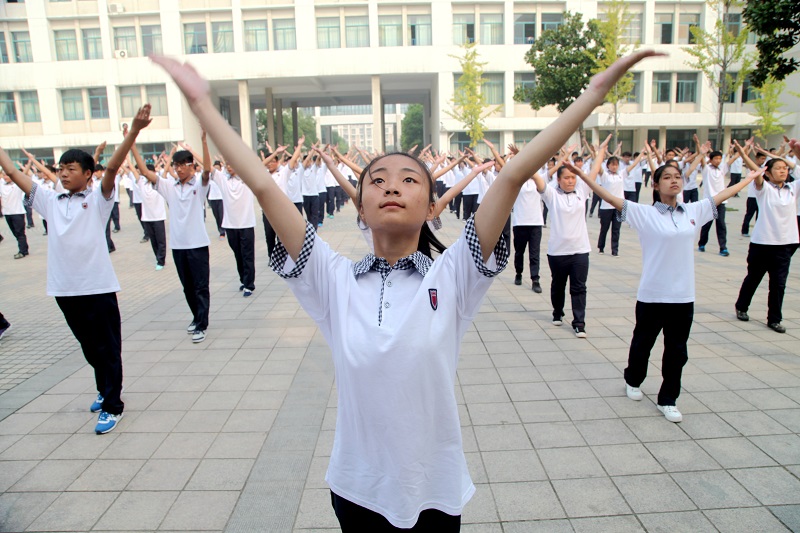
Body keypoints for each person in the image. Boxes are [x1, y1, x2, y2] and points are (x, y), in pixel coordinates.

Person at [153, 48, 659, 531]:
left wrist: (593, 96)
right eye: (377, 180)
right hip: (357, 487)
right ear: (360, 206)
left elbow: (514, 173)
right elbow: (263, 185)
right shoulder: (332, 279)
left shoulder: (454, 275)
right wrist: (200, 104)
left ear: (433, 206)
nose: (392, 186)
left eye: (409, 180)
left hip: (434, 487)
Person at [570, 151, 760, 423]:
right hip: (652, 294)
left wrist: (750, 178)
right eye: (667, 177)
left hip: (683, 296)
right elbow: (611, 198)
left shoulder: (693, 211)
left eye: (677, 177)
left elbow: (723, 195)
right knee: (642, 344)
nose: (674, 181)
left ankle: (668, 398)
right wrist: (582, 176)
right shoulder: (644, 213)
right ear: (656, 186)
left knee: (677, 351)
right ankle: (633, 379)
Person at [0, 106, 152, 434]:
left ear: (87, 173)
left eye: (71, 168)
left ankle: (113, 405)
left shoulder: (99, 198)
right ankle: (104, 389)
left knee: (108, 348)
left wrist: (134, 132)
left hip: (97, 286)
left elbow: (112, 166)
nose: (64, 173)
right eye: (61, 169)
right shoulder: (49, 201)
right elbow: (13, 172)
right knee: (90, 347)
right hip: (65, 289)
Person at [141, 129, 211, 343]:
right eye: (176, 165)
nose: (179, 169)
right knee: (187, 287)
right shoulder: (169, 186)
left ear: (192, 166)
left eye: (183, 165)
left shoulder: (199, 184)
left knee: (200, 286)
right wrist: (132, 141)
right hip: (179, 246)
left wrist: (203, 141)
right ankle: (195, 317)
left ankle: (202, 324)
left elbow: (207, 170)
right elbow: (145, 172)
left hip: (198, 244)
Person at [534, 141, 607, 338]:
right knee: (558, 285)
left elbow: (593, 172)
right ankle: (557, 312)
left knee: (579, 287)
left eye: (573, 177)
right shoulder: (551, 195)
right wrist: (529, 161)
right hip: (558, 251)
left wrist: (600, 153)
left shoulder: (582, 192)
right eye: (566, 178)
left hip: (580, 250)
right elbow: (538, 181)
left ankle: (579, 323)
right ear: (558, 180)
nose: (570, 181)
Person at [733, 142, 799, 334]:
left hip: (784, 246)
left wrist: (797, 153)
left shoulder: (793, 189)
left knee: (778, 284)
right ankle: (742, 307)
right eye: (778, 168)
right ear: (768, 173)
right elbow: (757, 175)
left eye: (785, 168)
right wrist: (745, 156)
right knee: (754, 278)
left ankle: (774, 319)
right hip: (762, 244)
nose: (783, 171)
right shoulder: (764, 189)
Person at [128, 149, 168, 271]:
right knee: (154, 241)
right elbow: (134, 170)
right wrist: (128, 158)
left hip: (158, 217)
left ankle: (161, 260)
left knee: (161, 241)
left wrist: (168, 156)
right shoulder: (141, 183)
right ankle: (158, 258)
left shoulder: (160, 184)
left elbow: (166, 170)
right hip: (147, 217)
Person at [1, 163, 31, 259]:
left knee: (20, 233)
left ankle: (22, 251)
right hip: (7, 213)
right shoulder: (2, 184)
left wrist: (29, 163)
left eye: (7, 175)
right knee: (15, 233)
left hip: (17, 212)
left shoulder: (18, 185)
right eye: (4, 175)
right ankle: (24, 248)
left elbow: (24, 173)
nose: (5, 177)